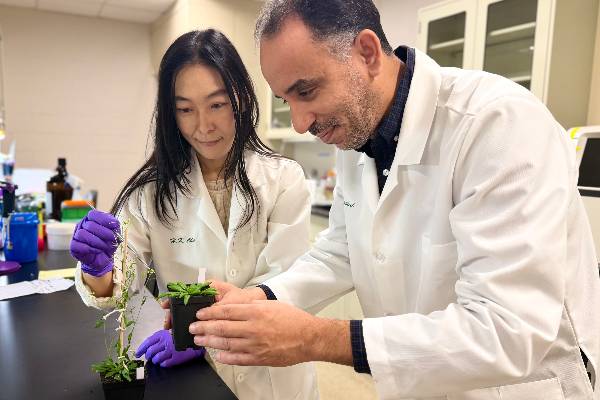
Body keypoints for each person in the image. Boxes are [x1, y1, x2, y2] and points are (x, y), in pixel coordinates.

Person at [187, 1, 600, 399]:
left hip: (518, 389)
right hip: (426, 386)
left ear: (366, 53)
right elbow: (341, 250)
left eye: (307, 91)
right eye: (287, 101)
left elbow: (508, 329)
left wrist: (315, 338)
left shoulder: (498, 123)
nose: (299, 122)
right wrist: (259, 299)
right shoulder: (356, 136)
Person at [69, 29, 319, 400]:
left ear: (241, 98)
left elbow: (286, 283)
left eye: (216, 105)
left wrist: (202, 336)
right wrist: (98, 268)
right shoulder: (151, 192)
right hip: (193, 380)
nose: (203, 126)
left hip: (273, 377)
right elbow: (122, 281)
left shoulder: (283, 178)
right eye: (185, 109)